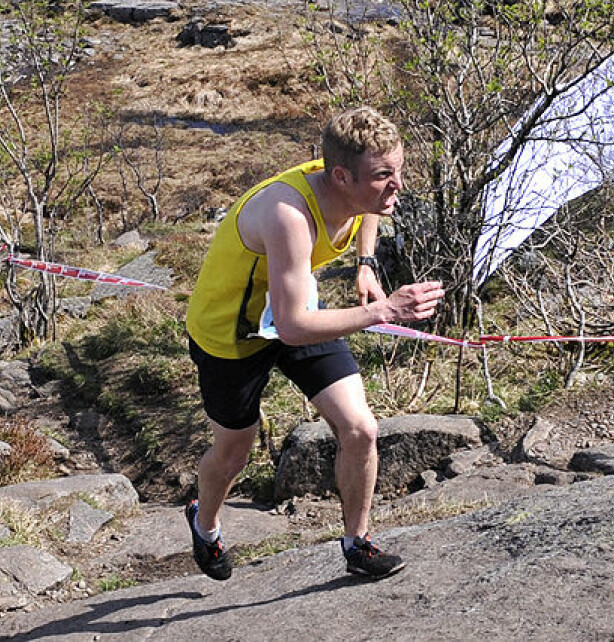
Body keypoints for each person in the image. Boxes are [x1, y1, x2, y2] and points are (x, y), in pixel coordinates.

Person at [184, 106, 445, 581]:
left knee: (361, 428)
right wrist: (384, 311)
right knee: (233, 454)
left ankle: (358, 543)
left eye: (399, 170)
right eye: (384, 175)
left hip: (295, 309)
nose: (398, 186)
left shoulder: (354, 188)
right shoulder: (289, 215)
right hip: (232, 335)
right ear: (341, 175)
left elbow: (370, 210)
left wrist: (365, 263)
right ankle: (205, 524)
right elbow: (292, 327)